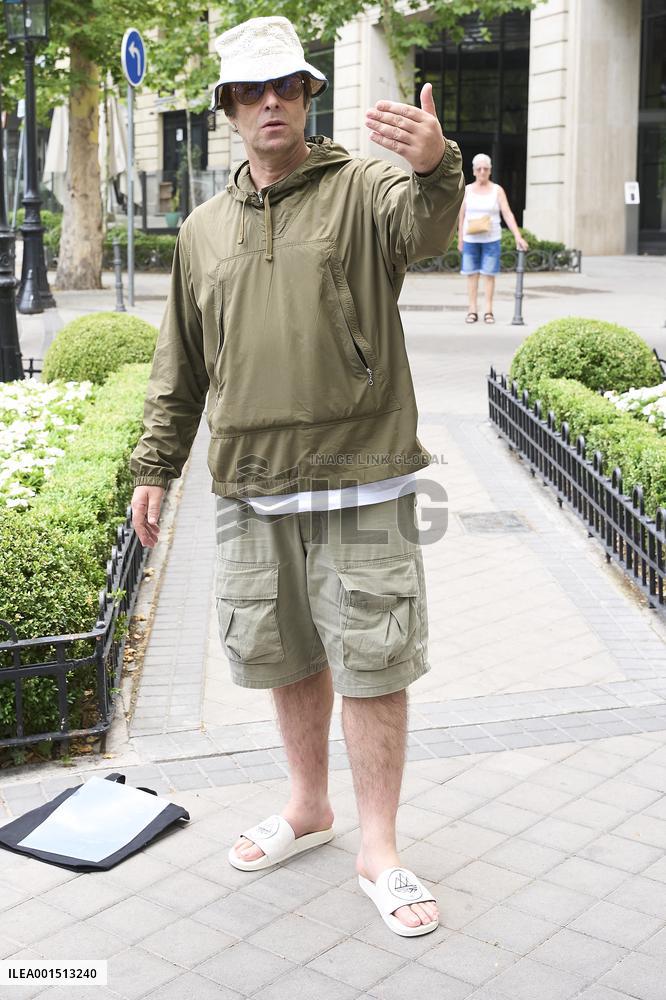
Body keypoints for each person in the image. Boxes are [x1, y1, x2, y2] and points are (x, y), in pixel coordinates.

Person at [129, 16, 464, 938]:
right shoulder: (201, 231)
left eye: (285, 85)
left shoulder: (365, 188)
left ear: (308, 95)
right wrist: (157, 465)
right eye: (249, 91)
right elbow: (181, 364)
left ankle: (381, 849)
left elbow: (427, 226)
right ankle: (310, 806)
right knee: (284, 654)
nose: (268, 102)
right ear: (229, 109)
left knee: (374, 659)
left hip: (364, 475)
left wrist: (437, 165)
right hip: (250, 481)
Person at [457, 152, 528, 324]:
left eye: (485, 169)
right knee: (471, 274)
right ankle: (472, 310)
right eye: (479, 168)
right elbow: (461, 215)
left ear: (490, 171)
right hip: (471, 240)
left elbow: (507, 214)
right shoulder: (466, 190)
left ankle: (488, 310)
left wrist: (518, 236)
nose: (482, 171)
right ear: (473, 171)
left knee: (489, 275)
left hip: (491, 239)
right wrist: (460, 238)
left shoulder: (497, 190)